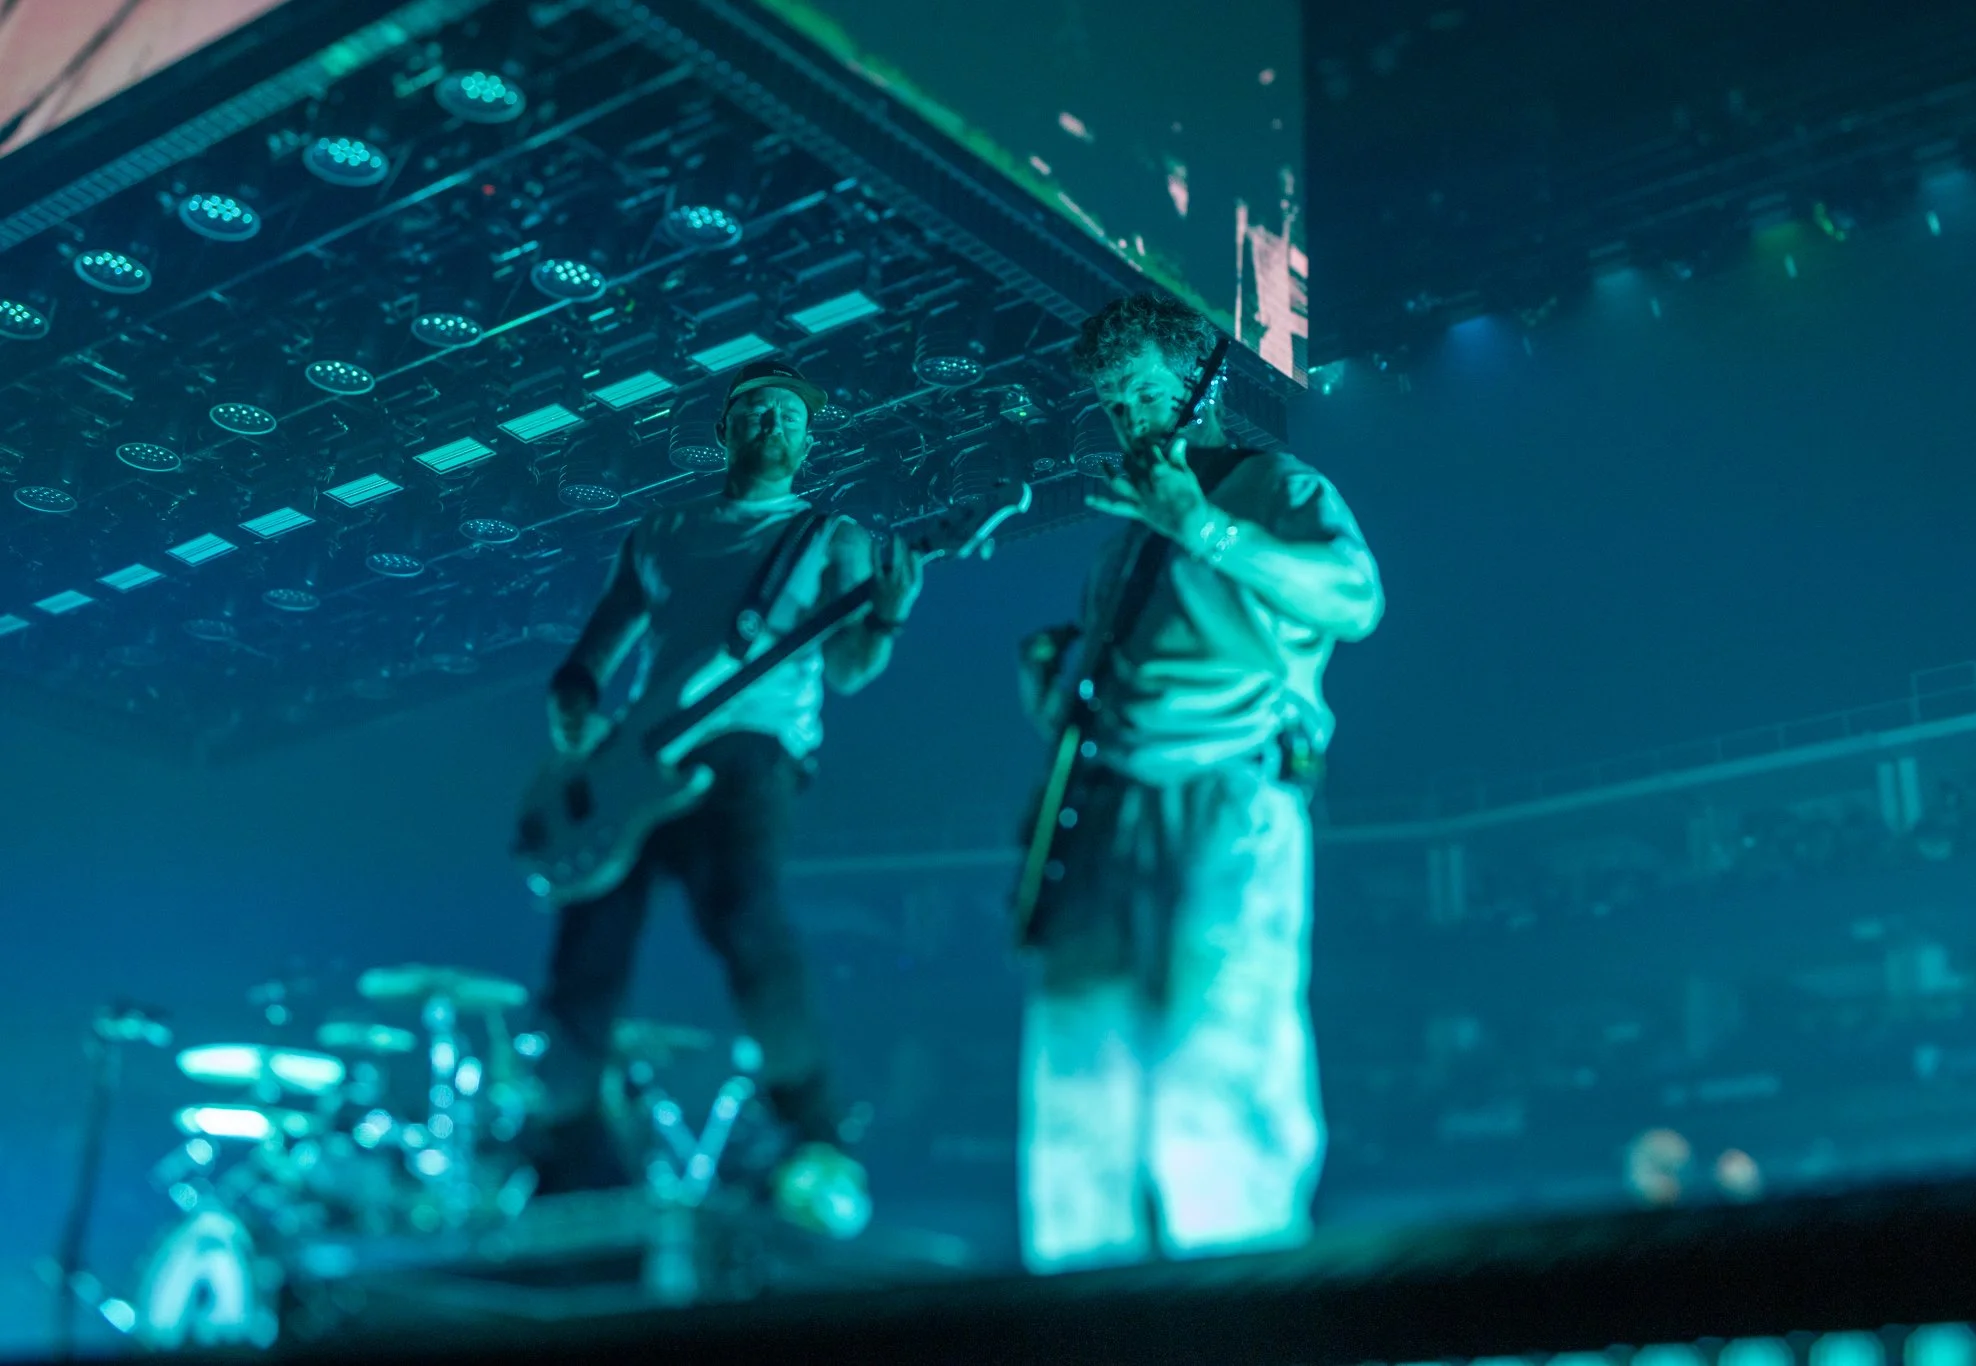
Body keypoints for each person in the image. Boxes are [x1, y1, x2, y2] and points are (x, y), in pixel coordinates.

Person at [1014, 293, 1385, 1272]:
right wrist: (1051, 695)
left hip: (1226, 797)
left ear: (1198, 387)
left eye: (1140, 390)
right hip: (1108, 816)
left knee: (1210, 1064)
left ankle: (1248, 1311)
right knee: (1078, 1085)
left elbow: (1354, 597)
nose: (1126, 416)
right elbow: (1123, 696)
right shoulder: (1121, 545)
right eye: (1111, 401)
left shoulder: (1272, 483)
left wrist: (1204, 527)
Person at [527, 359, 923, 1238]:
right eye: (757, 414)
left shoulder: (833, 538)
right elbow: (596, 650)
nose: (774, 427)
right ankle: (565, 1153)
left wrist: (888, 617)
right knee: (585, 957)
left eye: (790, 416)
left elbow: (851, 669)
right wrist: (575, 701)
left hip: (754, 749)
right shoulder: (662, 530)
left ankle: (813, 1130)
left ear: (809, 440)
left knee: (746, 918)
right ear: (726, 433)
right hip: (639, 759)